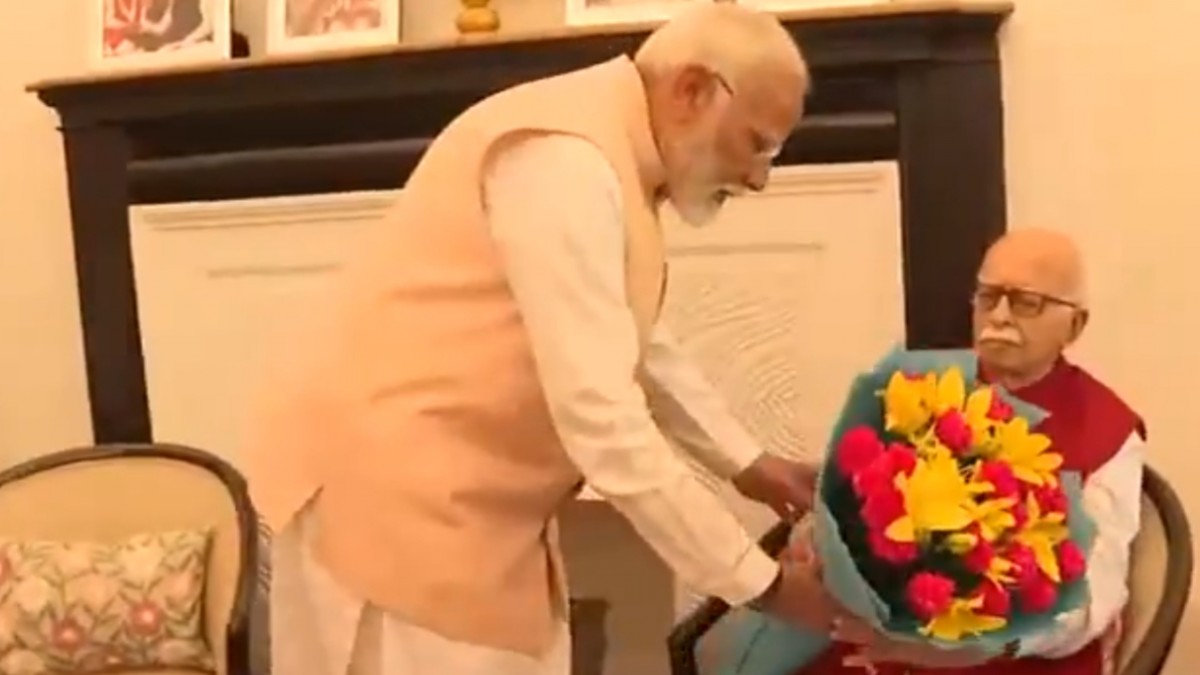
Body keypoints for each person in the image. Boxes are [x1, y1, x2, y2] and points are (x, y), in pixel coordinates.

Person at [243, 5, 842, 675]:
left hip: (463, 507)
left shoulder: (613, 151)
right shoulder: (565, 159)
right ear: (692, 90)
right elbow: (603, 420)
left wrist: (749, 462)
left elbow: (634, 337)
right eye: (759, 144)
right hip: (387, 498)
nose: (759, 178)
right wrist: (760, 582)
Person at [797, 228, 1144, 675]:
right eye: (988, 297)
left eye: (1026, 302)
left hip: (1012, 656)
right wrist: (817, 541)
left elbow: (1094, 598)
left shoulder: (1107, 428)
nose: (999, 316)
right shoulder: (922, 386)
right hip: (880, 637)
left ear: (1075, 325)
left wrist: (979, 646)